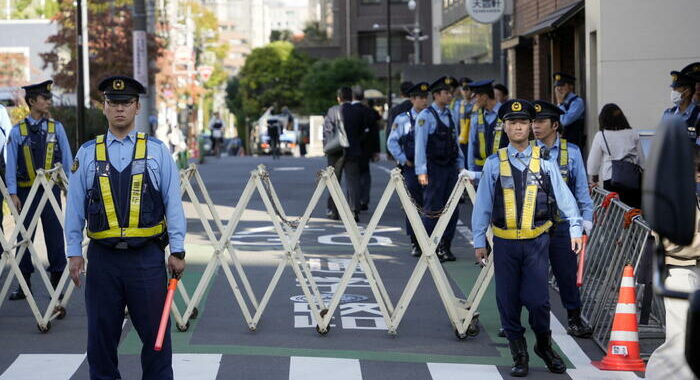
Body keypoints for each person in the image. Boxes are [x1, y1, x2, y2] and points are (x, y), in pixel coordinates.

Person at [65, 76, 186, 379]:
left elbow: (173, 202)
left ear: (136, 107)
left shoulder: (158, 152)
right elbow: (75, 207)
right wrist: (73, 253)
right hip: (103, 261)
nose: (119, 109)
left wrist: (178, 249)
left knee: (156, 340)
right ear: (104, 108)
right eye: (112, 103)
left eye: (125, 104)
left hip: (146, 259)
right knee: (101, 340)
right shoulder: (87, 153)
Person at [472, 99, 583, 377]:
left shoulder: (545, 162)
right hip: (505, 243)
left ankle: (543, 346)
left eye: (523, 122)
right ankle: (518, 353)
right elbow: (483, 204)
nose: (518, 127)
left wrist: (575, 227)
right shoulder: (494, 163)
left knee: (538, 301)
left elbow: (564, 197)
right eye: (512, 122)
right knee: (507, 302)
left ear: (530, 127)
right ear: (505, 127)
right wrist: (478, 240)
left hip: (537, 242)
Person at [6, 80, 73, 301]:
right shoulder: (18, 131)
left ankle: (57, 282)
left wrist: (69, 188)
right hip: (26, 193)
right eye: (44, 98)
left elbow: (67, 158)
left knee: (55, 236)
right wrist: (13, 194)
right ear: (32, 101)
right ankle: (23, 284)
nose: (48, 102)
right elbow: (11, 163)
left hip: (51, 192)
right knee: (24, 237)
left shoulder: (57, 128)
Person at [532, 100, 594, 338]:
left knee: (566, 274)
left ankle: (574, 318)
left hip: (562, 226)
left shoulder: (573, 153)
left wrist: (585, 222)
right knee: (529, 275)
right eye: (533, 122)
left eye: (541, 122)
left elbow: (582, 194)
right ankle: (516, 321)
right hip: (534, 226)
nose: (535, 127)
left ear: (555, 125)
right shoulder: (527, 151)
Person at [646, 139, 699, 379]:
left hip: (691, 271)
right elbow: (671, 242)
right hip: (679, 272)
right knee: (680, 339)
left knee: (686, 338)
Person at [414, 76, 466, 262]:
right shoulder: (425, 116)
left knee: (452, 209)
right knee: (433, 208)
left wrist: (461, 166)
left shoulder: (450, 115)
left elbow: (455, 143)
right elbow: (420, 146)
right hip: (433, 170)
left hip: (450, 168)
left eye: (450, 92)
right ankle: (429, 246)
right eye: (446, 93)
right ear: (436, 95)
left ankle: (445, 245)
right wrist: (421, 172)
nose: (450, 95)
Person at [387, 82, 429, 257]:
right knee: (413, 204)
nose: (424, 101)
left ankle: (431, 240)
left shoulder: (431, 117)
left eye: (426, 97)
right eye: (420, 98)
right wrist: (404, 160)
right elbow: (392, 142)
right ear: (412, 99)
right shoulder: (402, 119)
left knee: (432, 204)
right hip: (411, 169)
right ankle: (415, 241)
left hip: (430, 168)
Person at [587, 103, 645, 208]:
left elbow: (593, 163)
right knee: (633, 213)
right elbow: (642, 161)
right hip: (633, 180)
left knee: (614, 215)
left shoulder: (601, 135)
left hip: (611, 180)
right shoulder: (633, 133)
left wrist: (594, 177)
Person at [323, 87, 362, 222]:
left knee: (334, 181)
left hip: (336, 151)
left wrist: (327, 147)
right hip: (353, 150)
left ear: (339, 98)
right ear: (351, 97)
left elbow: (327, 131)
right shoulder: (358, 111)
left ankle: (334, 211)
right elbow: (362, 131)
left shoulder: (332, 111)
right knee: (353, 181)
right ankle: (354, 211)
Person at [467, 80, 504, 178]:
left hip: (501, 168)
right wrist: (471, 171)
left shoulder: (505, 114)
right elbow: (472, 144)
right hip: (479, 168)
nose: (474, 100)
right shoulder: (476, 116)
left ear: (484, 96)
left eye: (476, 96)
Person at [352, 88, 381, 211]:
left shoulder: (348, 110)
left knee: (354, 175)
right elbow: (375, 132)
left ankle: (355, 200)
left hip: (353, 148)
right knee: (365, 174)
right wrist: (376, 150)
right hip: (367, 148)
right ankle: (364, 199)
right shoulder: (369, 112)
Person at [662, 68, 698, 142]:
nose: (673, 92)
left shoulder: (698, 115)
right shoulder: (668, 114)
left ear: (687, 92)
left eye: (676, 89)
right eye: (673, 89)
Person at [553, 73, 586, 151]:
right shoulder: (560, 103)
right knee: (562, 162)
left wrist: (560, 103)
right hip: (561, 142)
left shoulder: (577, 102)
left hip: (573, 143)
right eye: (557, 86)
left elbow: (565, 121)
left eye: (562, 86)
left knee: (572, 162)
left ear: (570, 86)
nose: (558, 89)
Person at [386, 81, 414, 158]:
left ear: (401, 93)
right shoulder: (418, 108)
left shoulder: (395, 110)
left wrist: (389, 152)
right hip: (416, 150)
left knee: (399, 169)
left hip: (400, 149)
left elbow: (390, 130)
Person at [455, 77, 474, 159]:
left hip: (473, 141)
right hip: (461, 141)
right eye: (463, 89)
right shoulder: (457, 105)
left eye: (467, 89)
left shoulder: (477, 105)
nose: (465, 91)